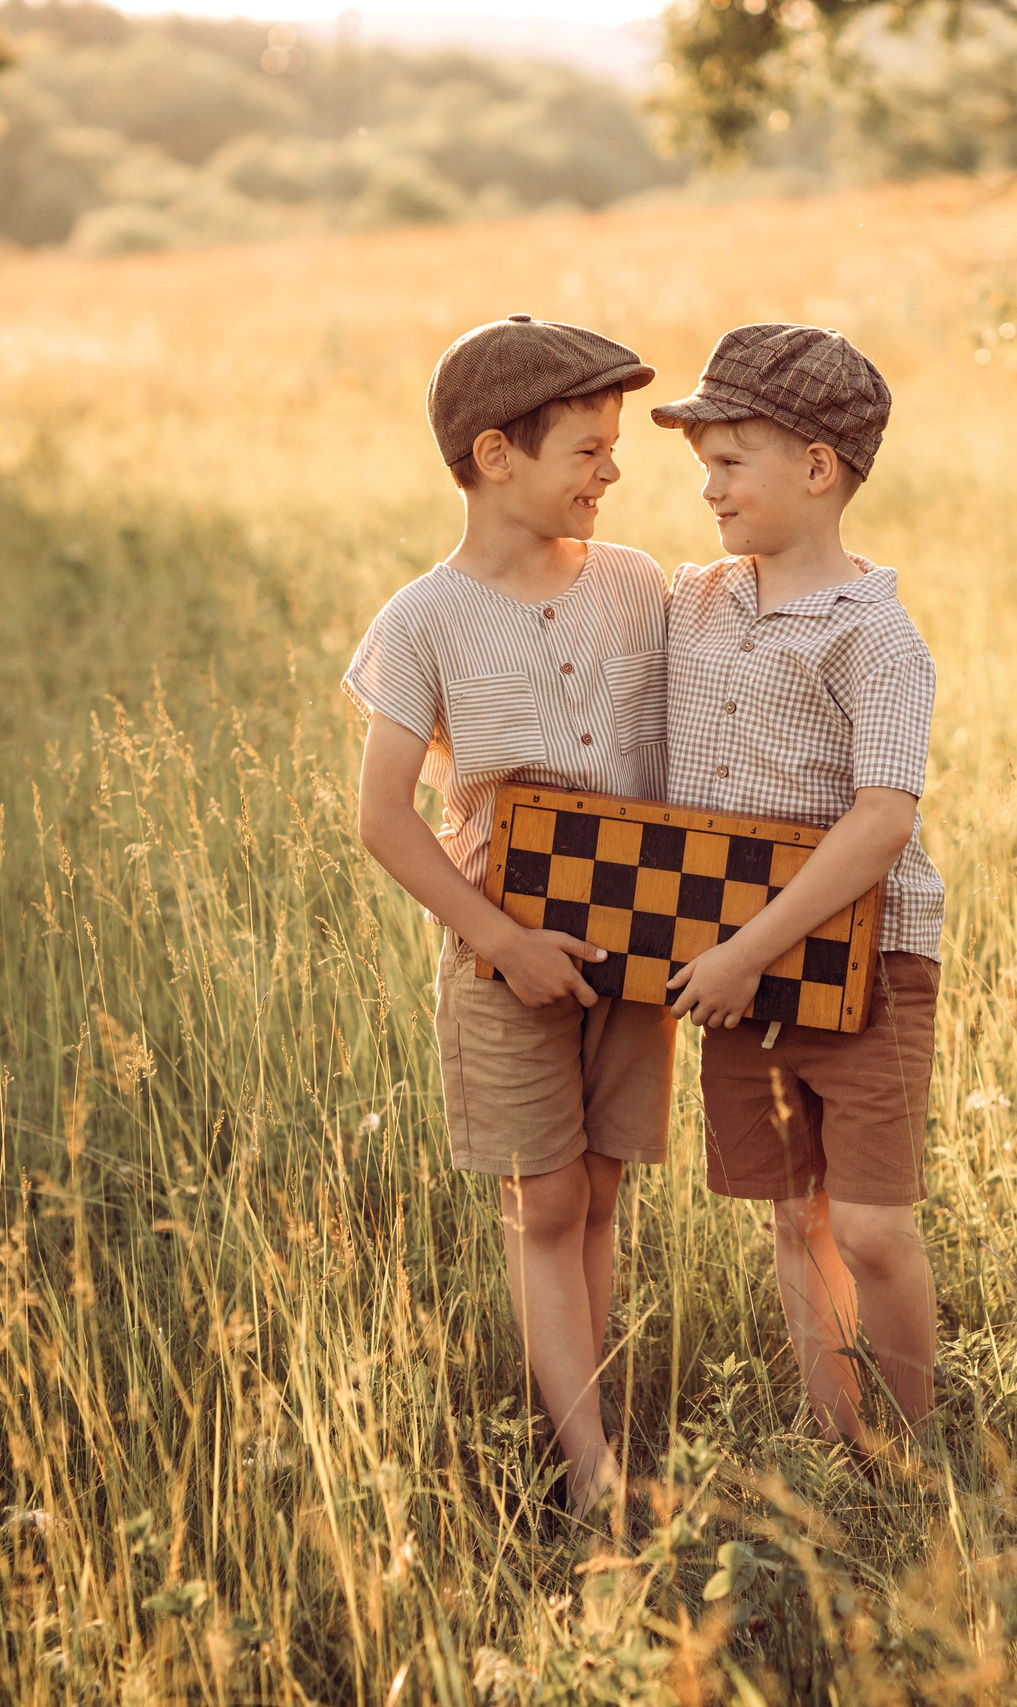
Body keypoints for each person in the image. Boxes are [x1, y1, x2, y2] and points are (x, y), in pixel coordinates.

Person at [343, 314, 674, 1510]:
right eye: (587, 449)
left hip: (639, 941)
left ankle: (595, 1420)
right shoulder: (424, 619)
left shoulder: (636, 585)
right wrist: (500, 940)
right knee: (545, 1197)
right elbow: (384, 817)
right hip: (505, 953)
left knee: (601, 1185)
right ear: (495, 457)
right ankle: (589, 1470)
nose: (612, 470)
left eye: (611, 447)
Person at [652, 324, 945, 1447]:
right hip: (735, 965)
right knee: (795, 1215)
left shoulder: (876, 637)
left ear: (817, 469)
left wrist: (743, 953)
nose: (709, 491)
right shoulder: (695, 602)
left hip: (860, 960)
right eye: (703, 469)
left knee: (870, 1223)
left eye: (731, 464)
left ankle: (915, 1455)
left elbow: (880, 819)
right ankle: (840, 1438)